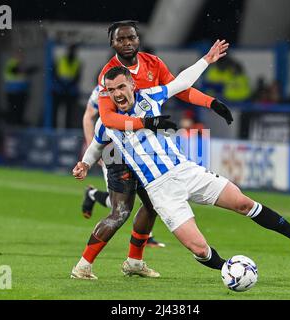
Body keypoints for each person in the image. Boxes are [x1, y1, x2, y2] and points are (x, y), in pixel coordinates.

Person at [73, 40, 290, 278]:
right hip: (162, 191)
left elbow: (182, 83)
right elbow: (96, 146)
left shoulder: (150, 97)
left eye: (121, 86)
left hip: (187, 171)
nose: (117, 94)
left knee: (243, 202)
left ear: (132, 85)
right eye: (110, 90)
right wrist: (85, 163)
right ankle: (230, 270)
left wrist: (206, 60)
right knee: (200, 249)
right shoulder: (108, 124)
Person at [80, 20, 232, 255]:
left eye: (131, 38)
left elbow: (179, 87)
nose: (127, 43)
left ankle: (134, 260)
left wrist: (210, 102)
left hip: (149, 145)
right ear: (112, 43)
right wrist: (93, 151)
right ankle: (85, 263)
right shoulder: (108, 77)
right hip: (118, 147)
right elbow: (103, 118)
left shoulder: (153, 63)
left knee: (151, 203)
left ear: (138, 39)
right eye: (120, 39)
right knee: (121, 209)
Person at [81, 84, 165, 248]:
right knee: (118, 205)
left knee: (149, 196)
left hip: (137, 151)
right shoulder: (101, 91)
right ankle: (92, 194)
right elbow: (88, 116)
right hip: (113, 152)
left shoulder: (136, 84)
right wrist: (94, 147)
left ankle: (144, 239)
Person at [52, 44, 81, 128]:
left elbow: (77, 77)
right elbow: (55, 74)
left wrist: (67, 85)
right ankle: (54, 129)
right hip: (60, 90)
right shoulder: (61, 60)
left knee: (69, 113)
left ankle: (66, 128)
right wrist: (63, 84)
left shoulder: (77, 62)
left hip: (68, 91)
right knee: (56, 112)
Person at [4, 51, 35, 126]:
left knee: (20, 110)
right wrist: (27, 70)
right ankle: (13, 125)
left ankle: (18, 124)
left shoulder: (21, 65)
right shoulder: (11, 64)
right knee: (14, 110)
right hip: (13, 91)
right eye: (20, 56)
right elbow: (15, 71)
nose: (21, 58)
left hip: (21, 91)